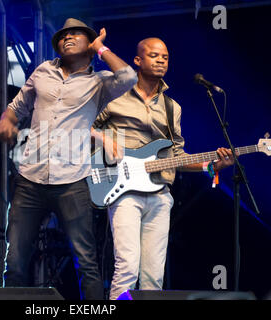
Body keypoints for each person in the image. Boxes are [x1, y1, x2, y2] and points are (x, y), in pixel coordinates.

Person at [0, 18, 137, 300]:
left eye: (75, 34)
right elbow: (15, 108)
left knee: (86, 262)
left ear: (89, 42)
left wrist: (102, 49)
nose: (67, 38)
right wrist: (6, 122)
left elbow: (129, 78)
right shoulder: (42, 71)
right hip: (30, 179)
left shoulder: (100, 83)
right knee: (15, 262)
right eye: (63, 36)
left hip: (72, 182)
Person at [91, 37, 234, 300]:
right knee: (127, 267)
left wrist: (210, 165)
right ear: (138, 60)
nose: (160, 60)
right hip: (123, 189)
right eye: (154, 55)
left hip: (159, 193)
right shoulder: (114, 95)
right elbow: (84, 126)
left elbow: (177, 155)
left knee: (153, 276)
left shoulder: (172, 107)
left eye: (165, 57)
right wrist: (104, 138)